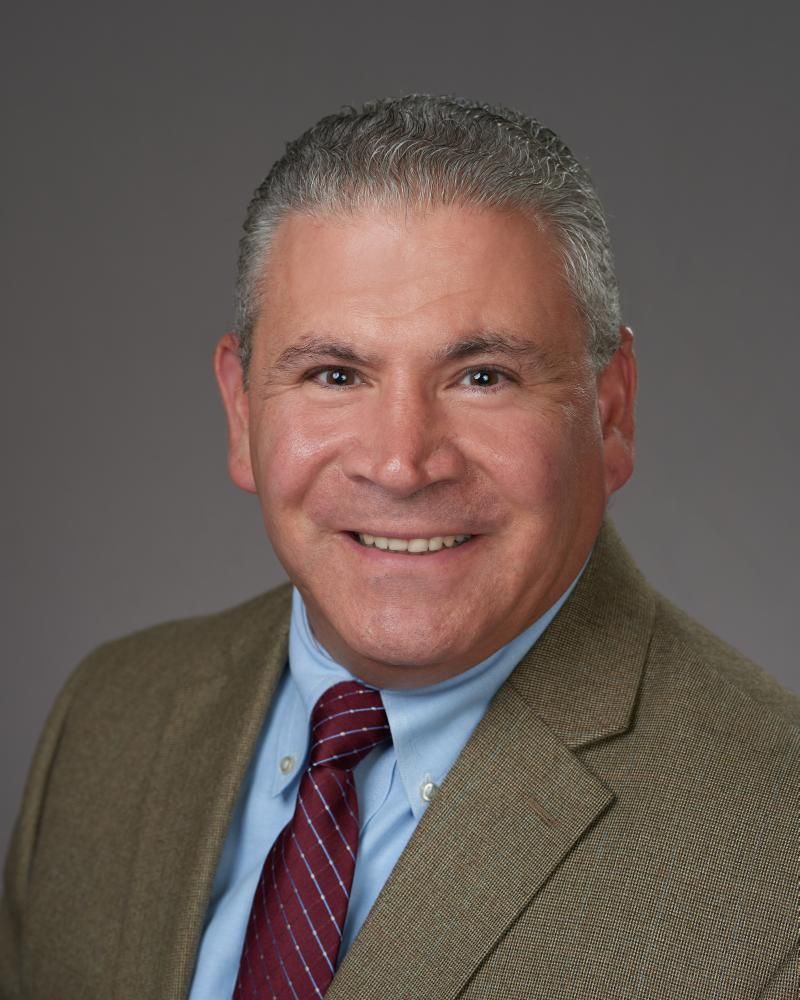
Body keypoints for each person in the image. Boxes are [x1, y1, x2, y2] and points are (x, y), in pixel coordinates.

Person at [1, 95, 797, 1000]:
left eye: (483, 377)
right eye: (335, 374)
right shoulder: (106, 720)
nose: (402, 462)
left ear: (609, 412)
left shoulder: (779, 860)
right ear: (240, 410)